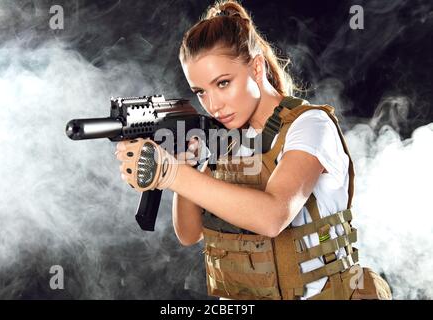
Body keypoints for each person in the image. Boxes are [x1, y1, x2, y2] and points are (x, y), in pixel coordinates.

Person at [115, 0, 392, 300]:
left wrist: (172, 174)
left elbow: (273, 216)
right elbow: (190, 233)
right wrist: (187, 164)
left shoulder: (310, 126)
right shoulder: (228, 140)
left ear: (256, 67)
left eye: (223, 83)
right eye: (201, 92)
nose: (213, 104)